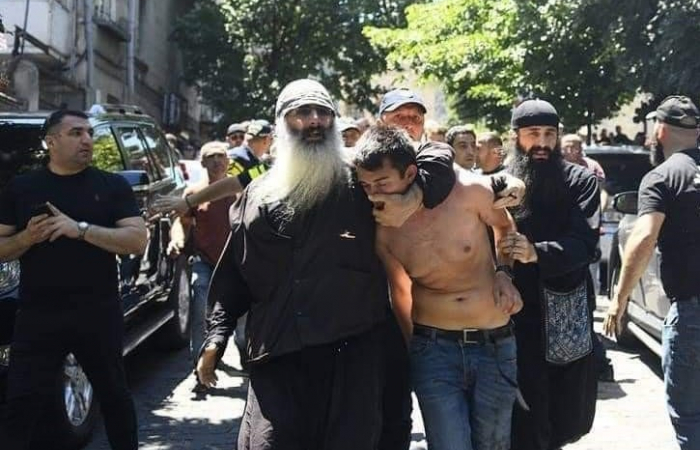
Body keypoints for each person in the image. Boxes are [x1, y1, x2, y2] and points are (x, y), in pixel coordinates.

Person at [195, 79, 458, 450]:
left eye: (323, 112)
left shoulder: (361, 182)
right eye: (302, 113)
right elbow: (236, 273)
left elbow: (436, 157)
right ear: (281, 125)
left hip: (352, 356)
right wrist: (217, 335)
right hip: (277, 353)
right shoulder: (257, 193)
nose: (315, 120)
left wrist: (415, 195)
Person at [355, 124, 523, 450]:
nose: (373, 194)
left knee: (494, 445)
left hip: (494, 343)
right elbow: (399, 290)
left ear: (410, 174)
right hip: (433, 348)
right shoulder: (382, 230)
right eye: (365, 185)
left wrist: (504, 274)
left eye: (382, 183)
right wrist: (413, 349)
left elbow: (504, 226)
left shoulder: (469, 191)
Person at [0, 110, 148, 450]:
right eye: (76, 133)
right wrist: (27, 239)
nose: (86, 140)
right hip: (39, 314)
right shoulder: (22, 188)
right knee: (21, 404)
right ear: (51, 141)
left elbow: (137, 240)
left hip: (96, 311)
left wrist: (79, 230)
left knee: (114, 397)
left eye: (89, 134)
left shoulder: (111, 186)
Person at [502, 99, 600, 450]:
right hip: (513, 313)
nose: (542, 143)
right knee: (522, 417)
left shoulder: (580, 181)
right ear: (516, 137)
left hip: (565, 310)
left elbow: (585, 243)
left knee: (565, 416)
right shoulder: (502, 183)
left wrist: (536, 252)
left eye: (549, 134)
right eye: (532, 134)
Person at [604, 96, 700, 450]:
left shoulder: (663, 176)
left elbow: (643, 237)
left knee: (691, 419)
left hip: (693, 313)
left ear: (659, 130)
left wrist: (619, 298)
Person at [167, 141, 235, 381]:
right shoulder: (193, 193)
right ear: (202, 162)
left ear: (228, 161)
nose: (217, 160)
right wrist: (176, 240)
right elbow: (181, 223)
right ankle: (199, 366)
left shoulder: (241, 190)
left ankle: (241, 357)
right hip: (204, 262)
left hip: (237, 265)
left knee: (243, 321)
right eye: (211, 156)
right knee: (200, 311)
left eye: (221, 156)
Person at [227, 119, 273, 184]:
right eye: (272, 138)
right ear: (267, 139)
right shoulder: (236, 160)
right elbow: (229, 187)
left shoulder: (254, 158)